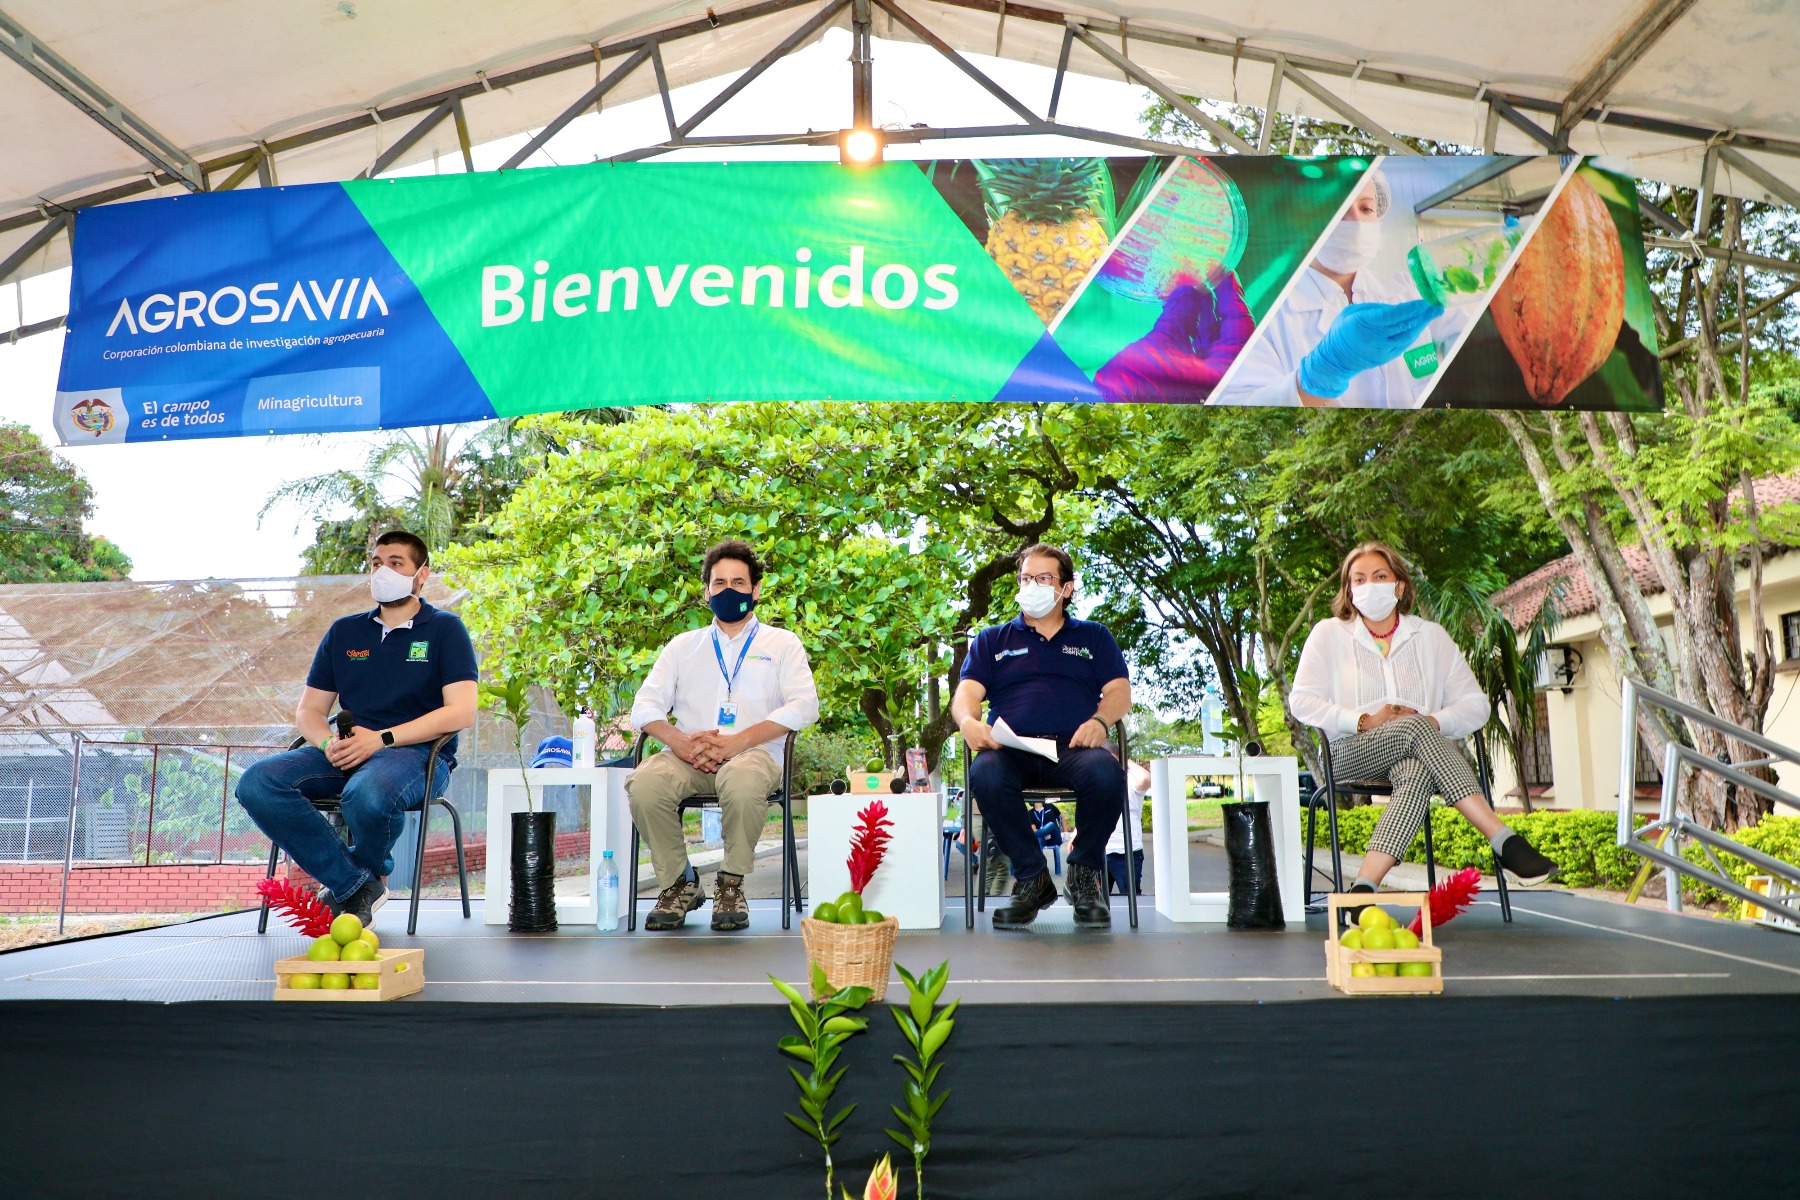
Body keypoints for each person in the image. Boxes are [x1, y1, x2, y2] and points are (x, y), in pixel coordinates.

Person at [1289, 541, 1559, 911]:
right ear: (1349, 591)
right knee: (1416, 730)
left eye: (1380, 576)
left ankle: (1362, 889)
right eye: (1359, 579)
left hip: (1418, 753)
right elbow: (1302, 701)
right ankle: (1502, 840)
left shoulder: (1430, 637)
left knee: (1416, 768)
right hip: (1350, 751)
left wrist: (1432, 720)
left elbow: (1476, 705)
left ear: (1399, 586)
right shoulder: (1329, 634)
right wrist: (1364, 720)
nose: (1369, 585)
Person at [237, 531, 477, 927]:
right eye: (377, 562)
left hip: (418, 756)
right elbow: (310, 711)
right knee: (258, 783)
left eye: (396, 562)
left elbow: (461, 712)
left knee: (365, 793)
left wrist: (382, 739)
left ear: (422, 575)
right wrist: (328, 743)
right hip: (346, 753)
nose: (383, 571)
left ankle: (354, 883)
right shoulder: (345, 633)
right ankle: (357, 884)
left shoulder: (445, 630)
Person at [627, 540, 819, 932]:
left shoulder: (782, 644)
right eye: (719, 583)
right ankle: (680, 882)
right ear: (706, 593)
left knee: (743, 780)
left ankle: (730, 884)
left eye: (738, 581)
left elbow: (804, 706)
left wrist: (737, 742)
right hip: (687, 755)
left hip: (754, 755)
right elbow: (644, 706)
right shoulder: (683, 647)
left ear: (756, 590)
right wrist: (679, 742)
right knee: (644, 783)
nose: (728, 590)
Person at [951, 543, 1131, 929]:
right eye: (1026, 578)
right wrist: (968, 722)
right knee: (985, 773)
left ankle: (1084, 876)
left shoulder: (1095, 637)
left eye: (1044, 578)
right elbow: (966, 695)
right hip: (1010, 747)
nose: (1032, 585)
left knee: (1107, 773)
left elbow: (1119, 693)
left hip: (1075, 748)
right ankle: (1032, 878)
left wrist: (1100, 722)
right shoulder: (991, 640)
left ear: (1066, 588)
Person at [1211, 170, 1469, 410]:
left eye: (1366, 208)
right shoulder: (1265, 316)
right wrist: (1322, 372)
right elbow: (1239, 409)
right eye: (1338, 209)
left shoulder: (1411, 288)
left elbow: (1473, 351)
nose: (1356, 221)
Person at [1106, 758, 1151, 897]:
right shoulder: (1098, 778)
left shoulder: (1130, 779)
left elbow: (1145, 778)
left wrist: (1125, 759)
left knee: (1131, 898)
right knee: (1096, 900)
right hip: (1101, 851)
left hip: (1128, 853)